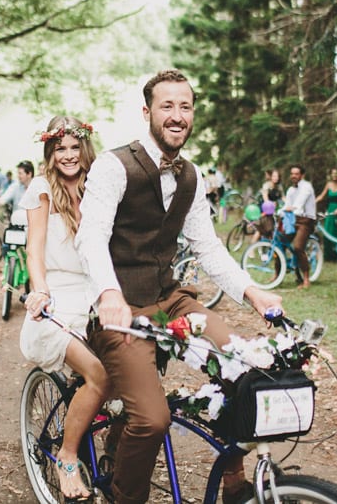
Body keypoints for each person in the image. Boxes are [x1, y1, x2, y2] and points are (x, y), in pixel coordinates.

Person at [74, 69, 283, 504]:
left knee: (245, 368)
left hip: (170, 301)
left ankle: (234, 483)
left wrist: (252, 291)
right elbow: (90, 237)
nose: (177, 115)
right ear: (147, 112)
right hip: (122, 310)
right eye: (167, 106)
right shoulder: (114, 166)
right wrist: (109, 294)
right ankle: (123, 497)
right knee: (151, 419)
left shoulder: (191, 176)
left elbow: (207, 247)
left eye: (184, 106)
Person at [19, 115, 108, 501]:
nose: (69, 156)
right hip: (57, 298)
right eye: (60, 149)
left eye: (75, 147)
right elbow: (34, 251)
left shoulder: (101, 185)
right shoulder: (42, 189)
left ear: (85, 148)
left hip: (97, 294)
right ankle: (66, 456)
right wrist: (39, 291)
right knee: (98, 375)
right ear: (50, 153)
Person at [282, 164, 316, 289]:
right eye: (292, 174)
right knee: (280, 241)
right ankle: (277, 274)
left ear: (302, 175)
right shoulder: (291, 190)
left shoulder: (307, 187)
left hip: (306, 221)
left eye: (296, 174)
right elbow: (287, 205)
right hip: (293, 220)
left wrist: (290, 209)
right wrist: (280, 212)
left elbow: (298, 204)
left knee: (298, 247)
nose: (294, 176)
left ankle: (306, 279)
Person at [315, 168, 337, 260]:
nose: (335, 175)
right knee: (328, 231)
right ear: (331, 175)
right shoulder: (329, 184)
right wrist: (313, 201)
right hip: (331, 210)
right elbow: (322, 196)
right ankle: (329, 255)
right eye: (333, 173)